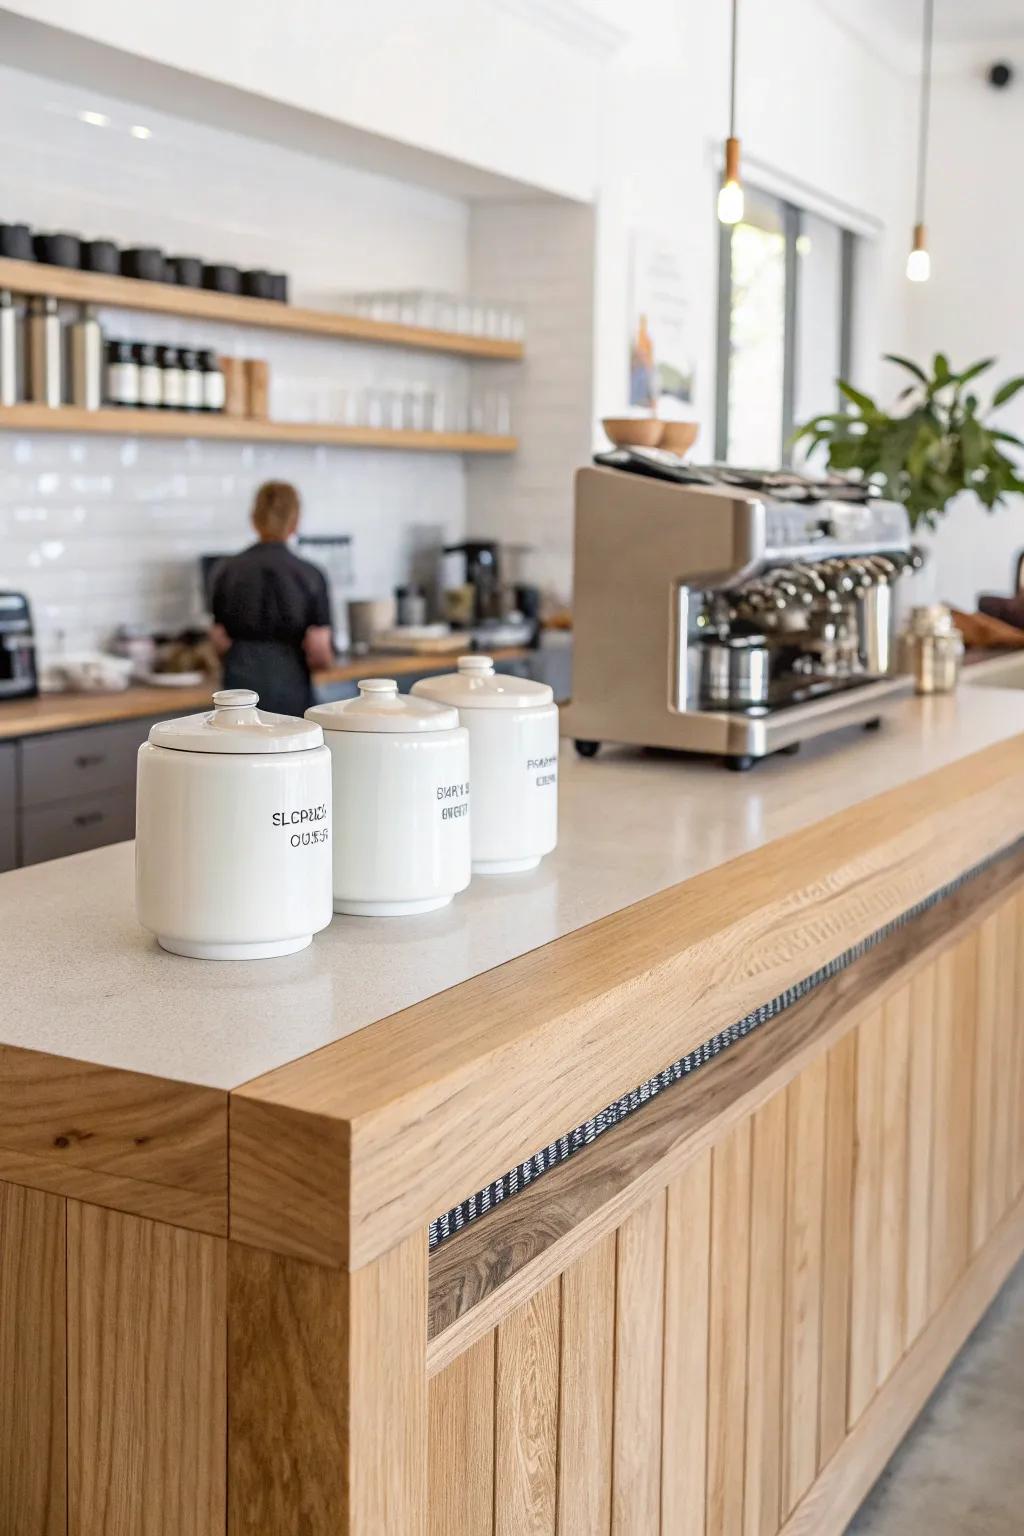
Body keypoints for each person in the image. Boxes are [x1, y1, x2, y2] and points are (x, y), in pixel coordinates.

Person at [210, 481, 334, 717]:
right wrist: (324, 663)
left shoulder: (226, 570)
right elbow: (319, 648)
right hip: (290, 685)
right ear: (295, 521)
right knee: (287, 750)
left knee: (240, 751)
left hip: (238, 690)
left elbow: (218, 639)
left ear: (254, 518)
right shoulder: (309, 574)